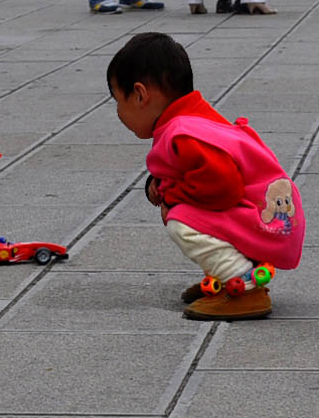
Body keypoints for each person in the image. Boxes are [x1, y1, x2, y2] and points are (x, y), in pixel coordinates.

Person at [107, 32, 304, 320]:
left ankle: (244, 285)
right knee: (187, 209)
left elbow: (224, 186)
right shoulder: (195, 117)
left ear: (140, 95)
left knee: (182, 220)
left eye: (117, 100)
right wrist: (160, 184)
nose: (118, 112)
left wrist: (171, 197)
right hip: (269, 214)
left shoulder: (182, 132)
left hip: (266, 221)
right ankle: (227, 276)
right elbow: (194, 172)